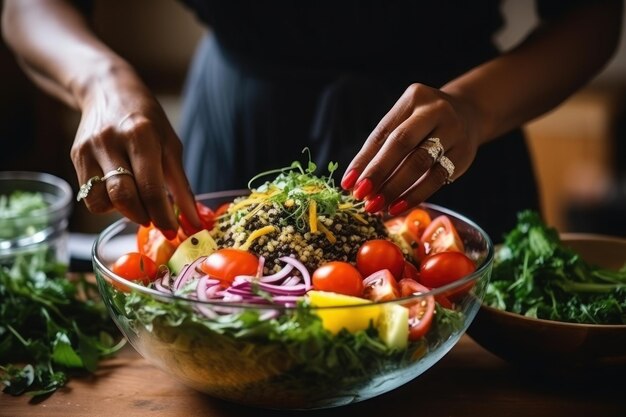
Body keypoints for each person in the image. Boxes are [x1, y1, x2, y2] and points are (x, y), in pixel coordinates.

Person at [1, 0, 622, 241]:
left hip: (452, 147)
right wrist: (99, 80)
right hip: (240, 127)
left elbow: (593, 16)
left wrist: (477, 107)